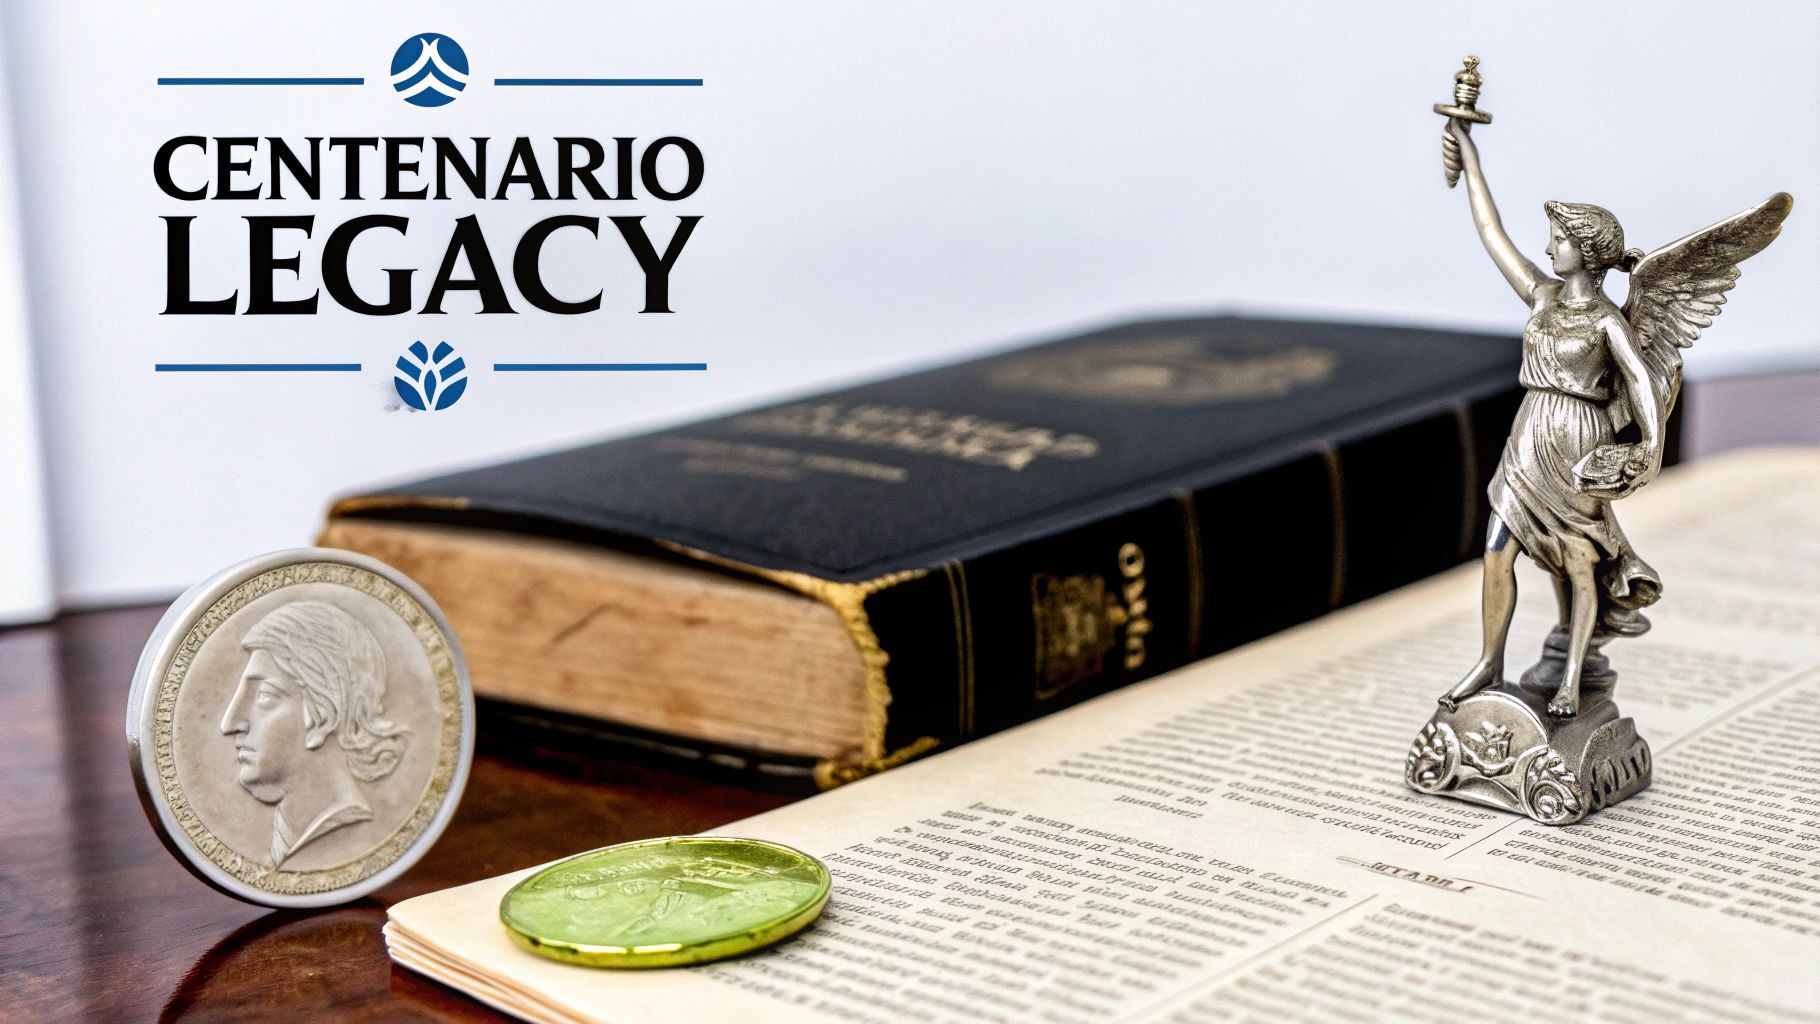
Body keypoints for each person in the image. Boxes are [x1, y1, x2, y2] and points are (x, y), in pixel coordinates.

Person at [1435, 116, 1665, 720]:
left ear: (1585, 252)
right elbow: (1492, 233)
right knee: (1495, 550)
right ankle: (1490, 661)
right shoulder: (1541, 296)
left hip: (1576, 442)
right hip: (1528, 433)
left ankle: (1569, 682)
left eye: (1558, 239)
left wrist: (1651, 445)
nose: (1546, 248)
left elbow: (1639, 379)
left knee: (1579, 563)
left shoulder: (1609, 320)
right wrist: (1470, 156)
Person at [219, 600, 409, 867]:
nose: (230, 723)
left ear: (325, 715)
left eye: (264, 696)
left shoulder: (343, 836)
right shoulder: (286, 841)